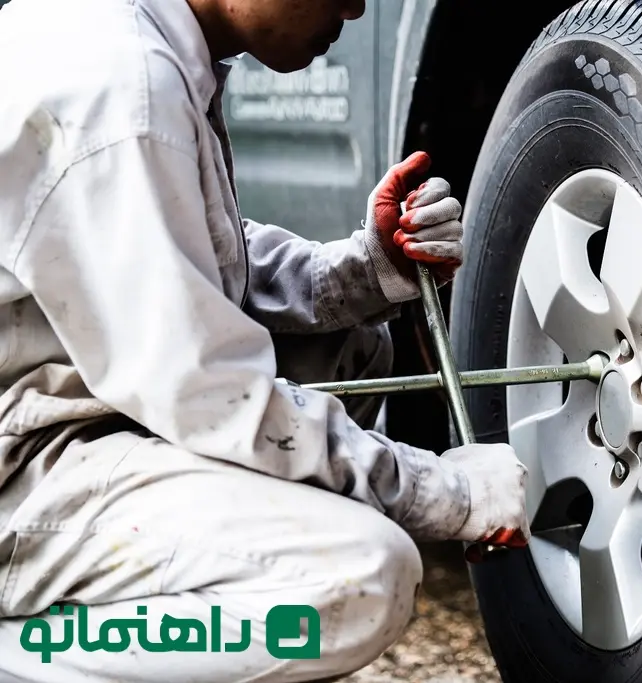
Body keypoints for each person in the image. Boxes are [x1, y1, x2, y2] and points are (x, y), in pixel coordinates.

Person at [0, 0, 531, 680]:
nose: (356, 5)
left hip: (57, 411)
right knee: (358, 578)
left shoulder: (137, 39)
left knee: (350, 345)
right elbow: (212, 395)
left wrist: (363, 273)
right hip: (20, 479)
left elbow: (173, 250)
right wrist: (448, 493)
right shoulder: (119, 82)